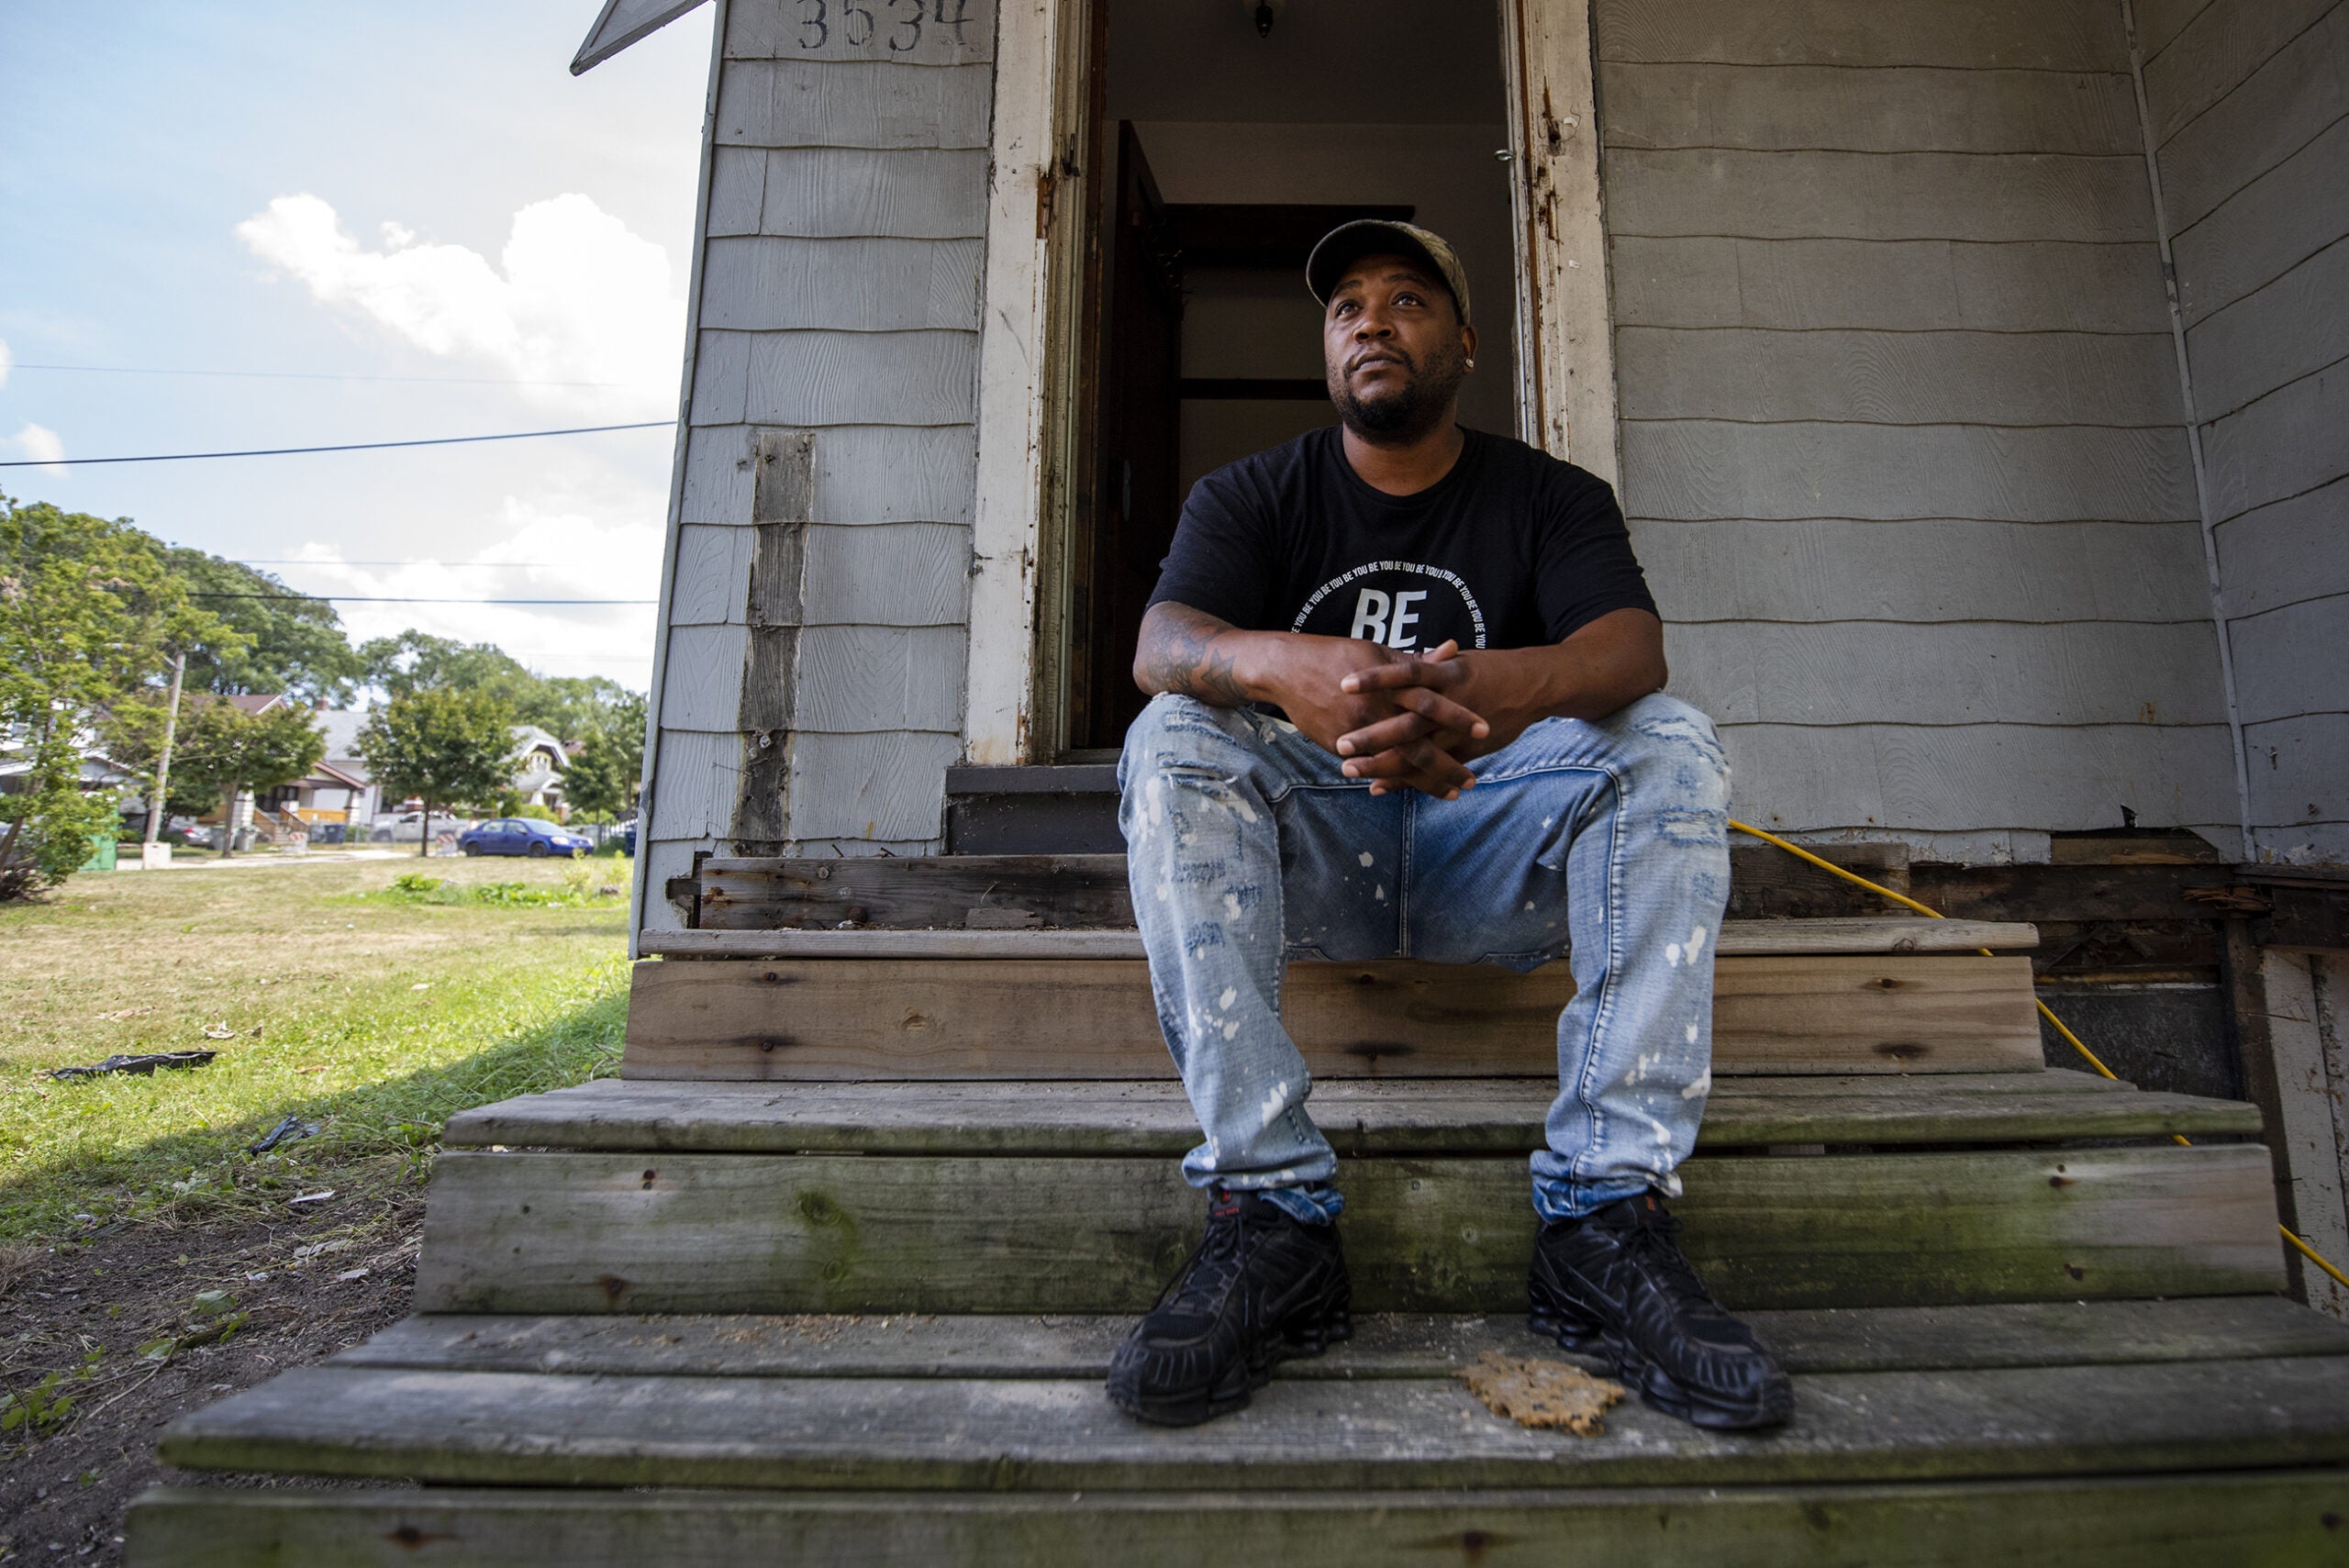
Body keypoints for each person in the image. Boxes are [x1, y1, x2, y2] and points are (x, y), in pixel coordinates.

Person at [1105, 220, 1791, 1432]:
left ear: (1464, 343)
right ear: (1327, 351)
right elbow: (1162, 645)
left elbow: (1629, 650)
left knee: (1669, 739)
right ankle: (1271, 1214)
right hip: (1320, 853)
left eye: (1406, 299)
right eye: (1346, 307)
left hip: (1490, 846)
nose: (1371, 319)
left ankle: (1600, 1212)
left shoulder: (1549, 496)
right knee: (1173, 733)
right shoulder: (1252, 492)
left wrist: (1490, 692)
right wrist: (1289, 665)